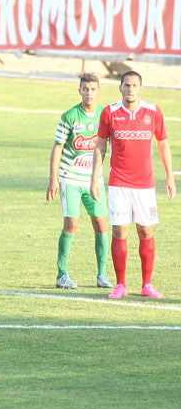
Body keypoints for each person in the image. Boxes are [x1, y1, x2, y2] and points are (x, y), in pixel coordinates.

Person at [91, 71, 176, 299]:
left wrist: (169, 177)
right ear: (120, 87)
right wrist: (95, 178)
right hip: (119, 182)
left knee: (146, 230)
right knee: (119, 230)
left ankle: (147, 284)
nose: (130, 89)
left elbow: (163, 143)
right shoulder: (110, 112)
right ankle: (121, 284)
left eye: (134, 85)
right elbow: (100, 146)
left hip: (145, 184)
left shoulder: (153, 111)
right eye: (127, 85)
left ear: (141, 89)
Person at [47, 73, 111, 289]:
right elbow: (57, 147)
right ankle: (62, 275)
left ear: (98, 91)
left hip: (95, 180)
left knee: (101, 223)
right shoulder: (70, 116)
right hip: (70, 178)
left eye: (92, 89)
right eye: (85, 89)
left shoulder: (105, 114)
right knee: (71, 223)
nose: (89, 93)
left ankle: (102, 275)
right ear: (80, 91)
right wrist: (53, 179)